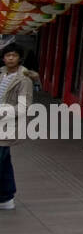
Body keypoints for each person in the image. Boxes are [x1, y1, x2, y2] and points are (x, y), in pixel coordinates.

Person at [0, 43, 38, 210]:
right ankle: (6, 198)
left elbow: (24, 107)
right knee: (4, 162)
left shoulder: (24, 79)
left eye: (14, 55)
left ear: (19, 58)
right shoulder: (1, 74)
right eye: (8, 55)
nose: (10, 58)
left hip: (9, 125)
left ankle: (5, 197)